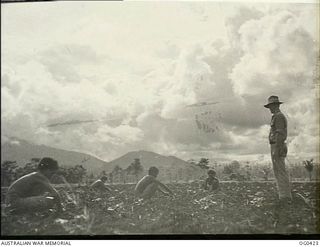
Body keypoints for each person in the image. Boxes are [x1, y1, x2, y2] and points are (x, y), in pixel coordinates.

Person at [264, 95, 292, 204]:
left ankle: (285, 196)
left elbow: (280, 132)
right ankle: (283, 195)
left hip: (278, 145)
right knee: (278, 170)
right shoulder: (275, 116)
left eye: (271, 106)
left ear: (276, 105)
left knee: (280, 170)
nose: (270, 108)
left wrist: (278, 147)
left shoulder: (279, 116)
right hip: (275, 145)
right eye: (269, 106)